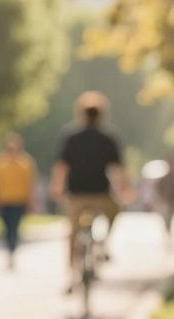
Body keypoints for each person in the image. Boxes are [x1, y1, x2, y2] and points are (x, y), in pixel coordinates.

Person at [50, 91, 129, 291]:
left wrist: (57, 188)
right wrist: (125, 190)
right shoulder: (108, 138)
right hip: (101, 194)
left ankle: (71, 276)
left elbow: (62, 167)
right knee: (116, 211)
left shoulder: (71, 137)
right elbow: (118, 169)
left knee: (72, 234)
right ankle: (104, 242)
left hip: (76, 194)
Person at [0, 132, 38, 270]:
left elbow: (30, 185)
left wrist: (31, 202)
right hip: (4, 201)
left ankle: (12, 251)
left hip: (19, 201)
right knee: (6, 228)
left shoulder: (26, 163)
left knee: (14, 228)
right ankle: (9, 250)